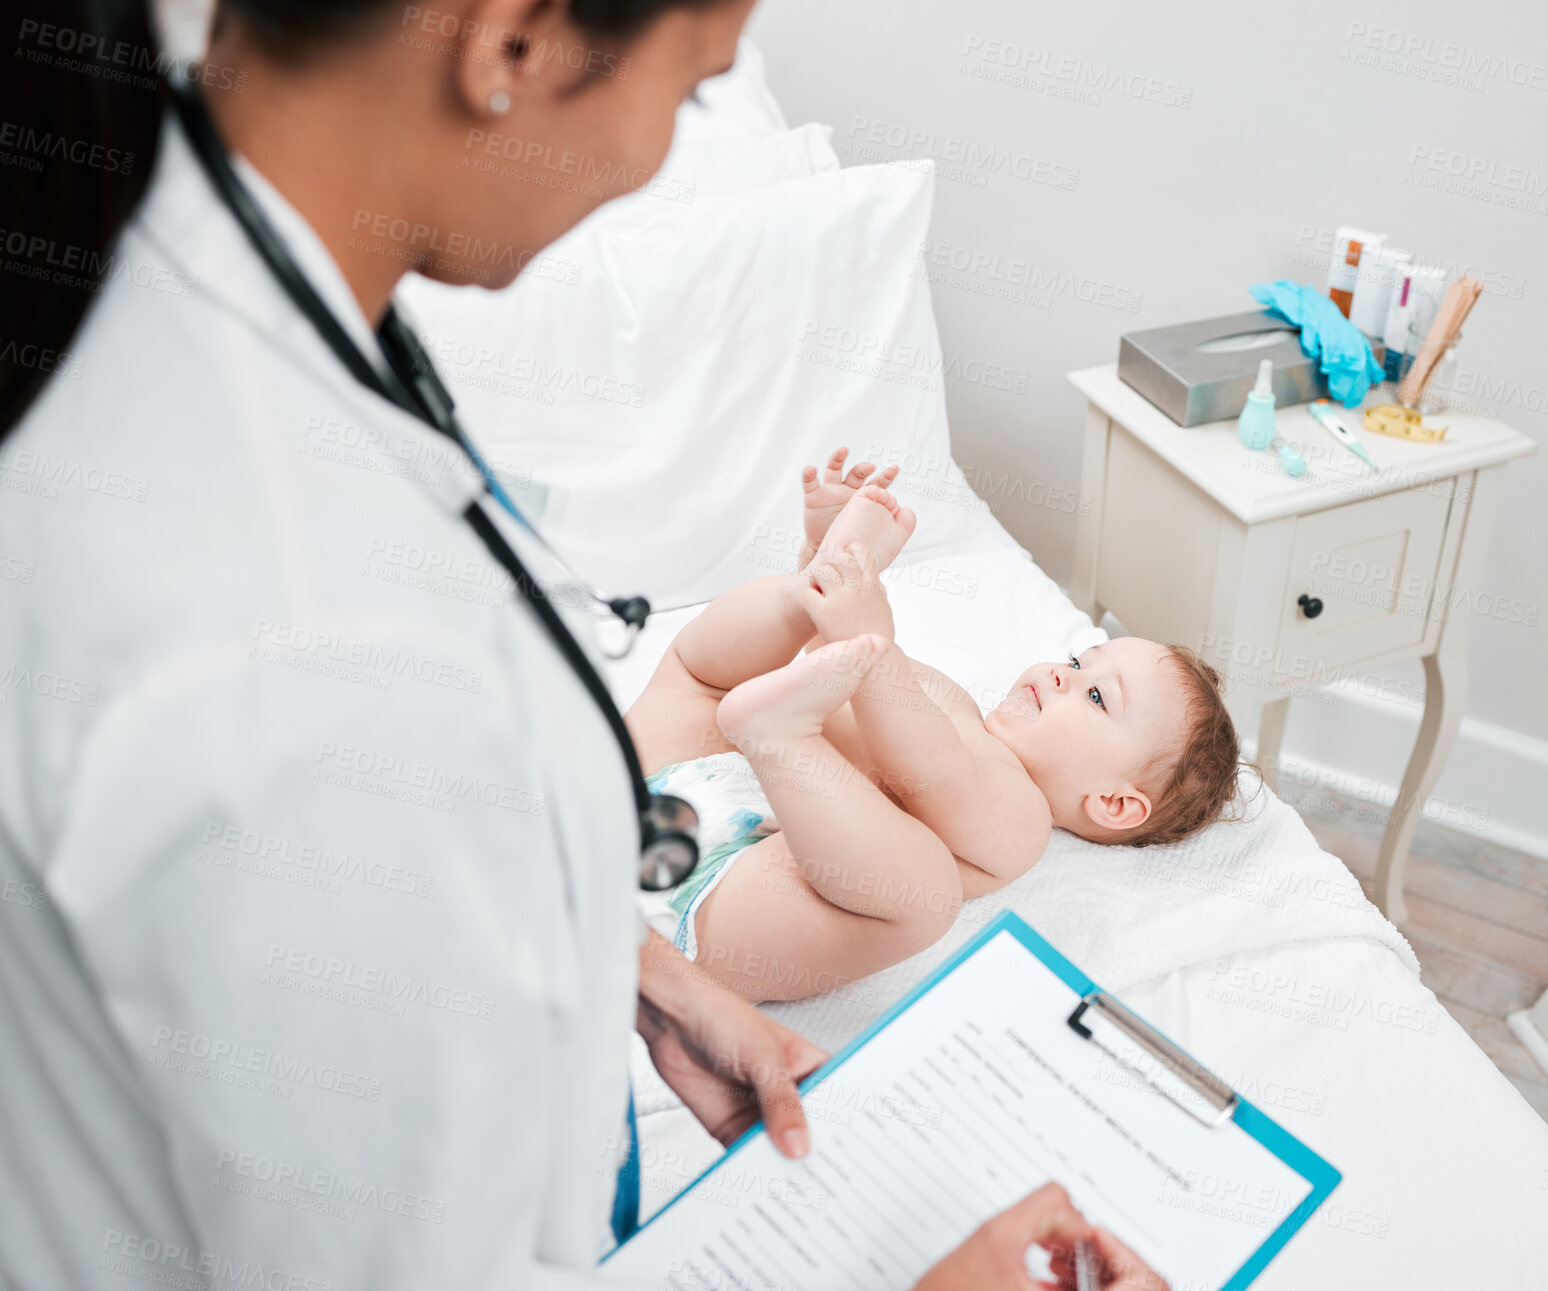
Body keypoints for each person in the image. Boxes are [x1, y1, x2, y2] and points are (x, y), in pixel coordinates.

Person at [0, 0, 1164, 1286]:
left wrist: (635, 970)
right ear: (512, 42)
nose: (658, 157)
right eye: (689, 90)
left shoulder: (209, 279)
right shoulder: (300, 636)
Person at [627, 455, 1240, 997]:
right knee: (702, 673)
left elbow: (928, 775)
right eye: (1079, 662)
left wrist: (872, 644)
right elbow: (830, 657)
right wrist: (829, 587)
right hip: (669, 777)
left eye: (1098, 695)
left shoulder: (1020, 822)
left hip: (718, 890)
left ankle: (781, 734)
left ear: (1111, 801)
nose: (1061, 674)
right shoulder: (951, 700)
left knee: (926, 897)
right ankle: (806, 590)